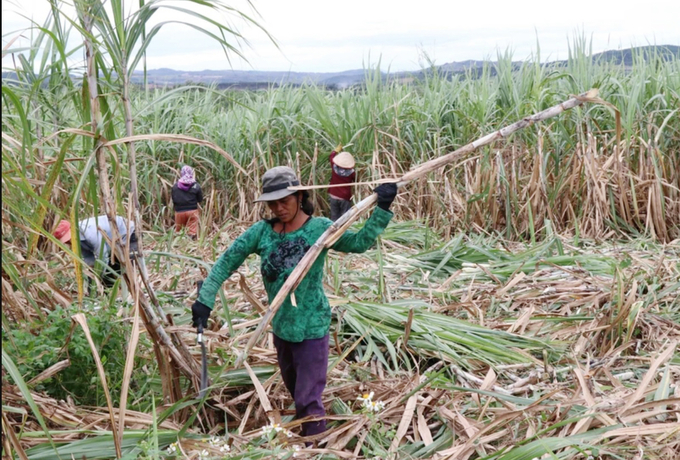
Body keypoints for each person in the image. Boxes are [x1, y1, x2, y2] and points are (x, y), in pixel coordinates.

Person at [191, 166, 397, 441]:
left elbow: (359, 243)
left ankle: (316, 447)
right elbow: (226, 262)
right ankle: (305, 438)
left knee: (308, 399)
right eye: (272, 203)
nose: (278, 208)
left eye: (284, 201)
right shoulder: (262, 233)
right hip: (281, 327)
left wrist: (382, 207)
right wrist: (205, 299)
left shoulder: (320, 229)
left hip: (312, 327)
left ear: (300, 196)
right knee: (296, 392)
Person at [53, 215, 138, 289]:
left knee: (127, 267)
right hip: (112, 243)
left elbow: (102, 256)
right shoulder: (77, 240)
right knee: (107, 273)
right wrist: (92, 274)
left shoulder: (90, 232)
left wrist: (99, 276)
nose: (69, 242)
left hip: (128, 233)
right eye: (66, 240)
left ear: (72, 229)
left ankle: (134, 294)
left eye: (69, 238)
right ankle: (105, 298)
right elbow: (88, 257)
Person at [171, 165, 203, 238]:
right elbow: (200, 199)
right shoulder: (196, 185)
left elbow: (173, 199)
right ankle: (189, 245)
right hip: (192, 211)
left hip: (179, 212)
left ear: (182, 173)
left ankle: (179, 246)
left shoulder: (175, 186)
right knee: (191, 232)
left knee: (179, 232)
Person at [328, 145, 356, 221]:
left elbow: (331, 156)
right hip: (344, 197)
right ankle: (344, 231)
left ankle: (334, 232)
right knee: (345, 217)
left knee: (334, 216)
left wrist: (336, 150)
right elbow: (355, 180)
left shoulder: (334, 167)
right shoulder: (351, 172)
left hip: (333, 195)